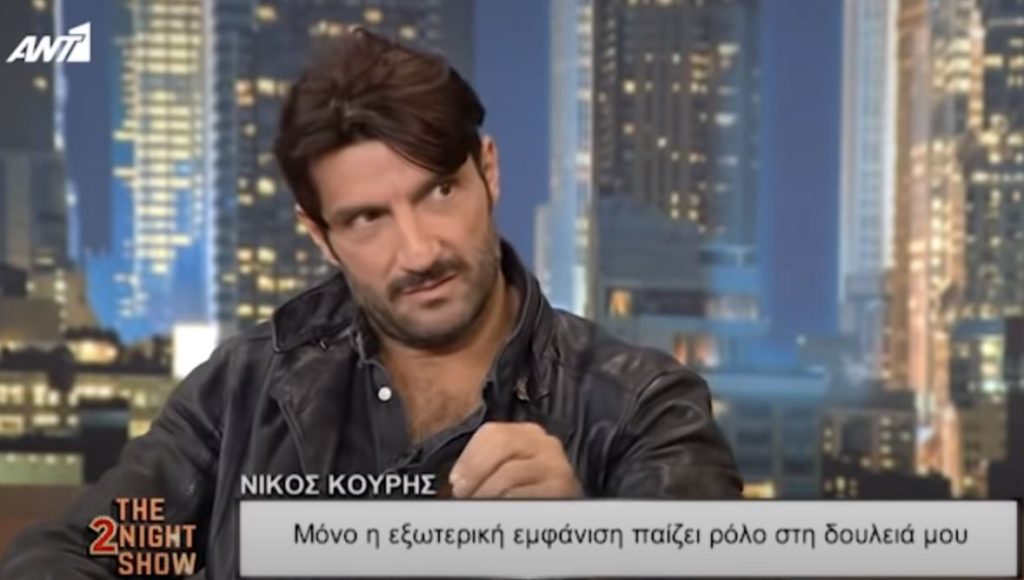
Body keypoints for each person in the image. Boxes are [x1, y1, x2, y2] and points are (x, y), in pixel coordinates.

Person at [0, 27, 741, 578]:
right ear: (320, 236)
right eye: (366, 219)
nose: (418, 251)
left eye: (439, 192)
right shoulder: (244, 388)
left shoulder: (640, 405)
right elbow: (75, 554)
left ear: (488, 172)